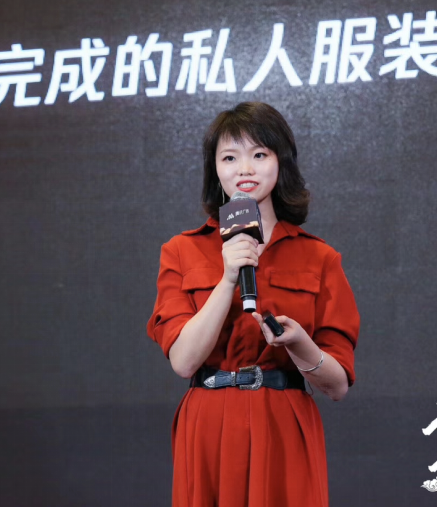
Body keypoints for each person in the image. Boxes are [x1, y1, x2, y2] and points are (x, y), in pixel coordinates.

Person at [146, 102, 361, 507]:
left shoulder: (320, 258)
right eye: (230, 157)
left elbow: (337, 385)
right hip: (208, 424)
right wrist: (228, 277)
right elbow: (184, 362)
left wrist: (300, 345)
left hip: (283, 423)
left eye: (259, 154)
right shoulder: (181, 251)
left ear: (281, 162)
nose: (244, 169)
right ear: (215, 169)